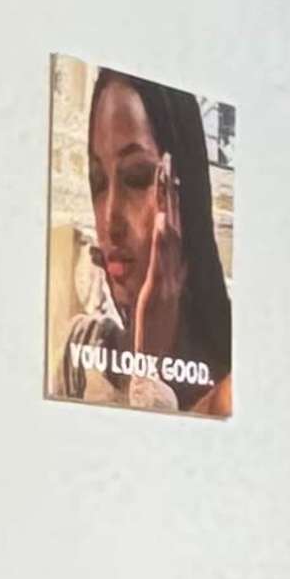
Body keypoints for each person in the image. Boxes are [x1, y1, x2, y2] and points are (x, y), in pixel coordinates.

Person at [59, 68, 234, 416]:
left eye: (137, 178)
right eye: (98, 182)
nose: (110, 221)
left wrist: (149, 371)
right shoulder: (80, 346)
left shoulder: (228, 385)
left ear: (185, 196)